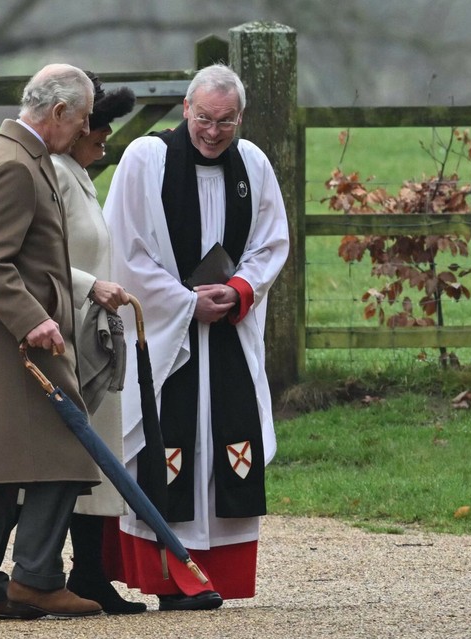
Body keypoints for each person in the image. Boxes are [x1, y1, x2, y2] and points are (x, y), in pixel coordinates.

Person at [0, 72, 145, 615]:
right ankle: (36, 576)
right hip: (19, 344)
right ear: (57, 111)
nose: (84, 132)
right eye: (81, 121)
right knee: (68, 451)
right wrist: (32, 319)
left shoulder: (14, 155)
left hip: (9, 343)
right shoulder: (15, 166)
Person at [101, 63, 290, 611]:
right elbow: (126, 249)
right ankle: (167, 577)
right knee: (168, 445)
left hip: (226, 334)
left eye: (226, 120)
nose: (213, 131)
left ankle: (219, 576)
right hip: (168, 338)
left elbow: (271, 243)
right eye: (204, 118)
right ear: (185, 110)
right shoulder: (146, 159)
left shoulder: (252, 164)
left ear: (240, 118)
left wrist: (237, 289)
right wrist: (185, 302)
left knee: (224, 450)